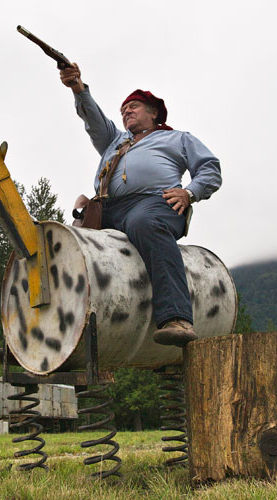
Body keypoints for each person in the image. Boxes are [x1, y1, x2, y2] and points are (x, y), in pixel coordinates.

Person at [59, 63, 222, 347]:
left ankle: (176, 318)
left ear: (154, 112)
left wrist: (189, 193)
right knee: (66, 243)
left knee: (144, 223)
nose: (126, 112)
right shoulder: (114, 141)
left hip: (154, 203)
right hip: (106, 209)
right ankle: (54, 330)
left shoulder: (177, 138)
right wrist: (78, 88)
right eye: (123, 110)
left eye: (133, 106)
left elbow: (210, 168)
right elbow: (95, 120)